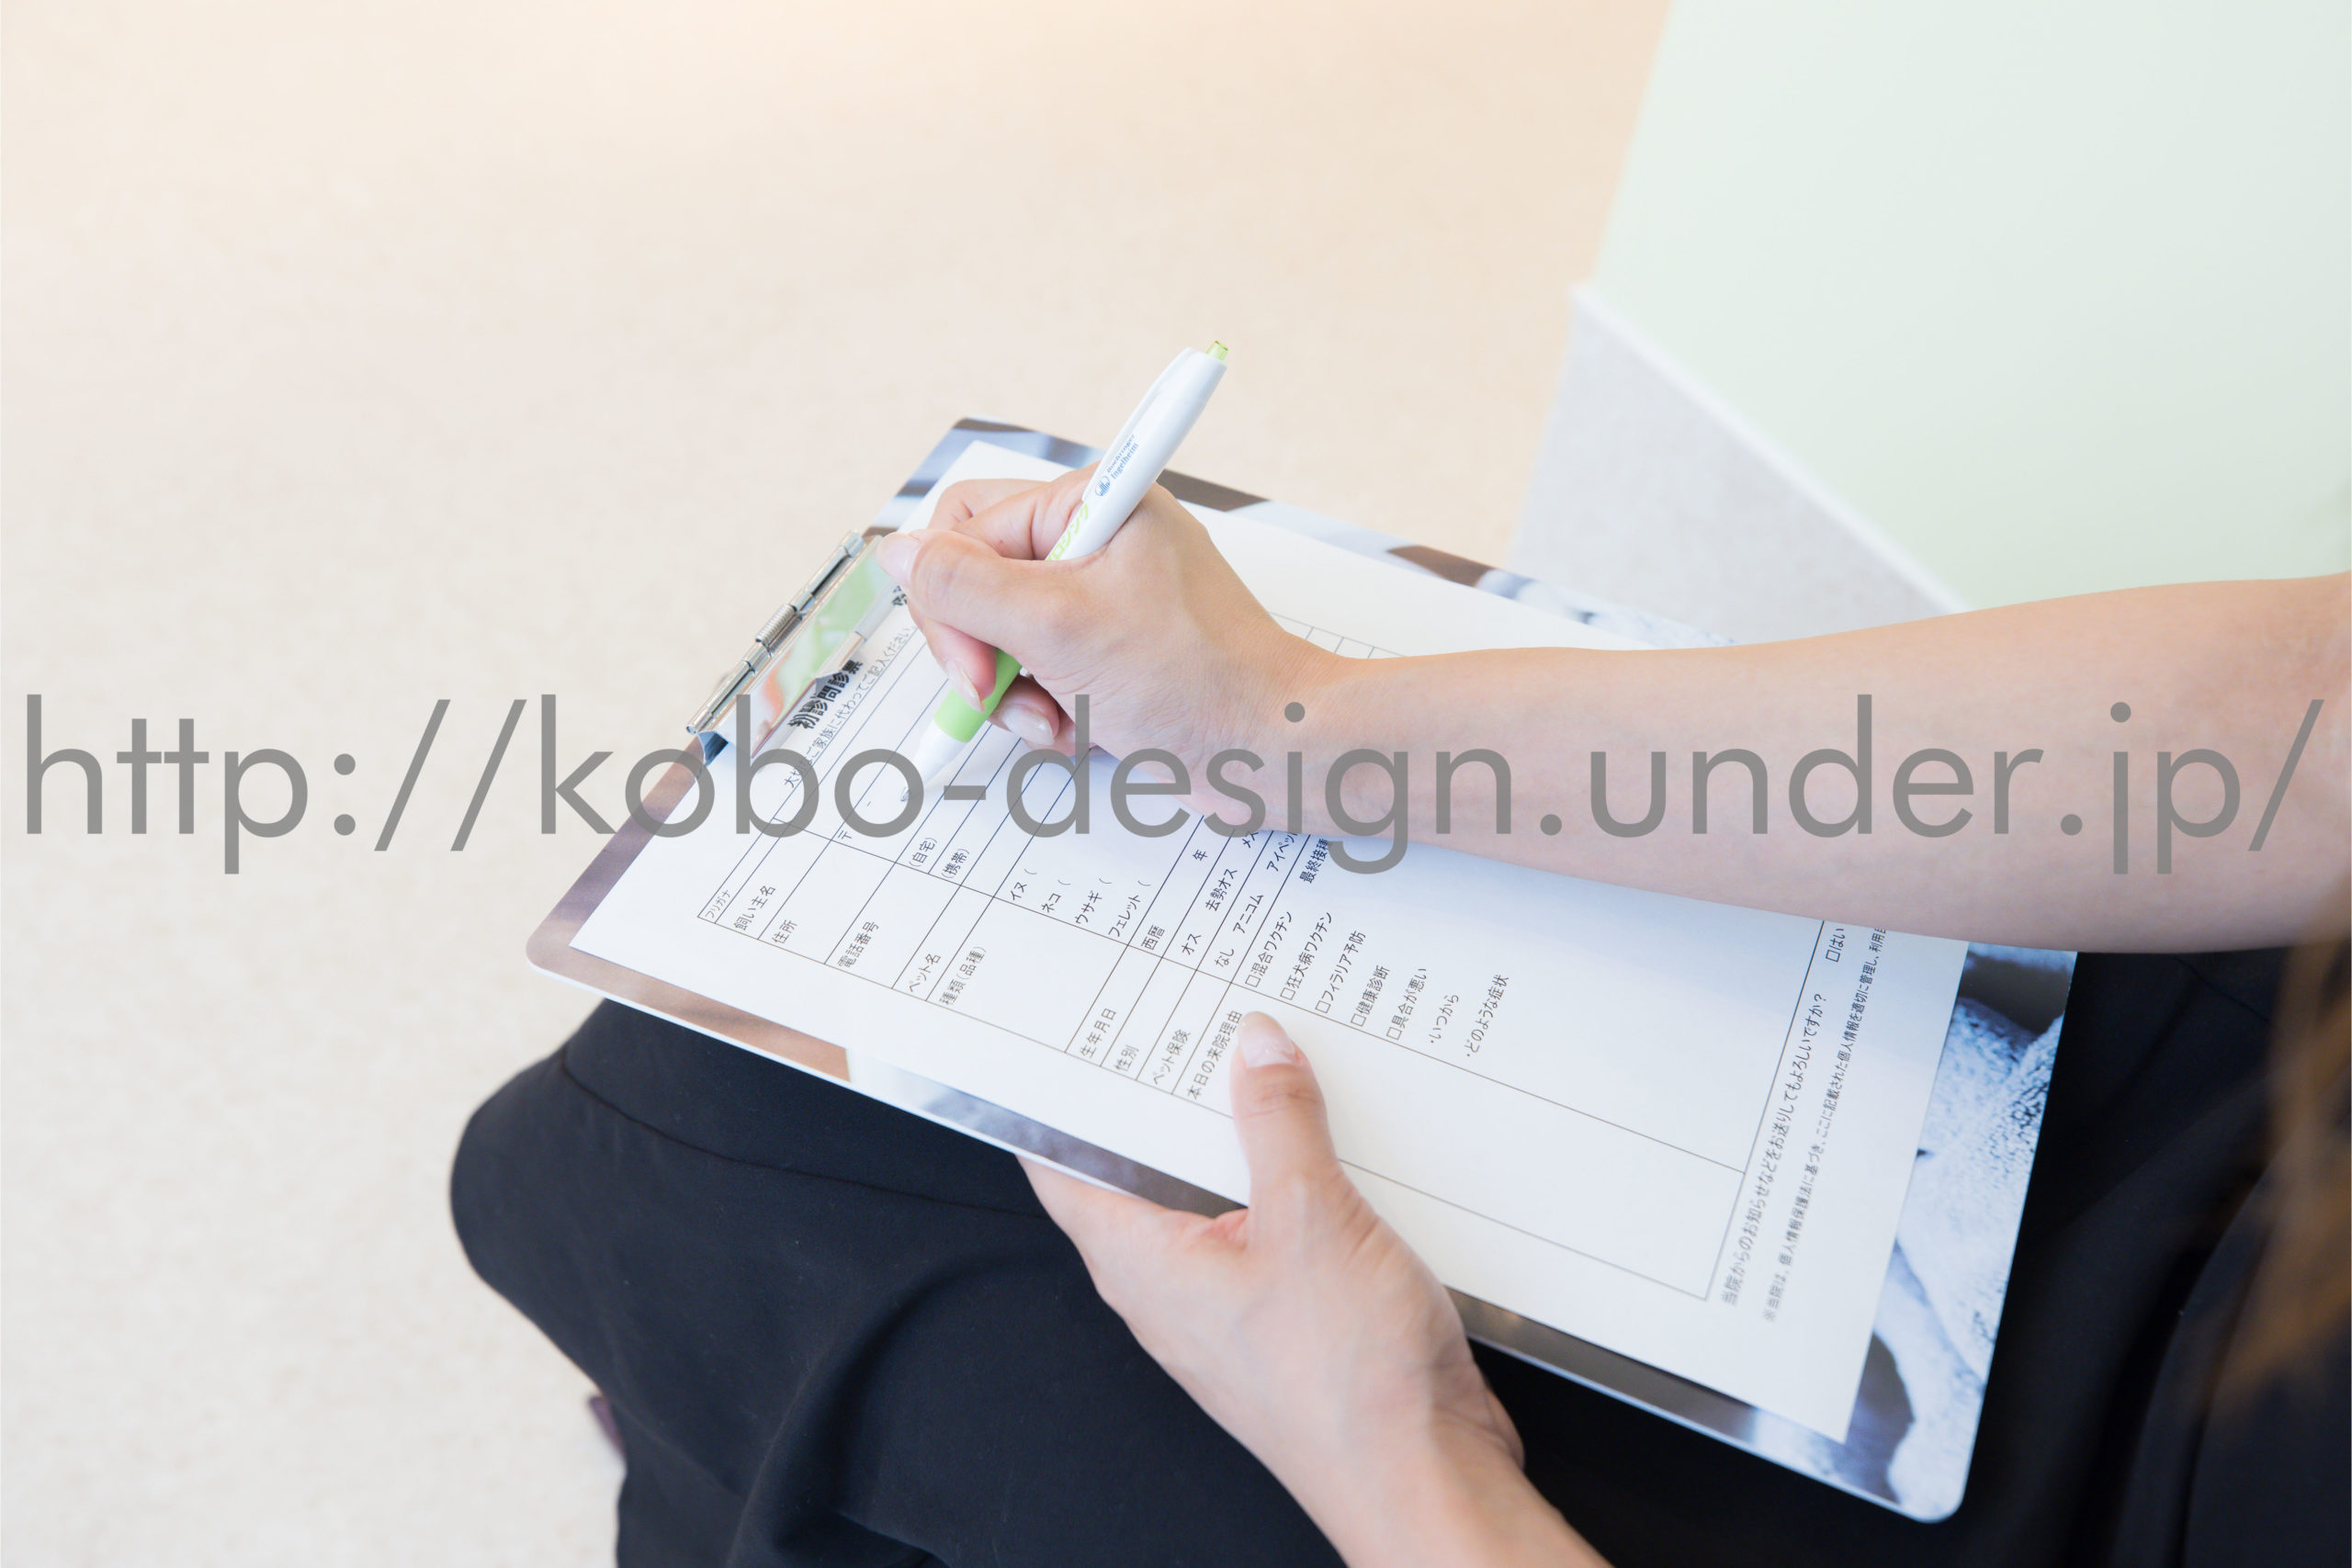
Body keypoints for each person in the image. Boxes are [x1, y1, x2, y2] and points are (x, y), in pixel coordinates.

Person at [454, 468, 2348, 1566]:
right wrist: (1293, 720)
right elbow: (2304, 722)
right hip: (2227, 1082)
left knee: (684, 1189)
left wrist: (1396, 1443)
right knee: (715, 1073)